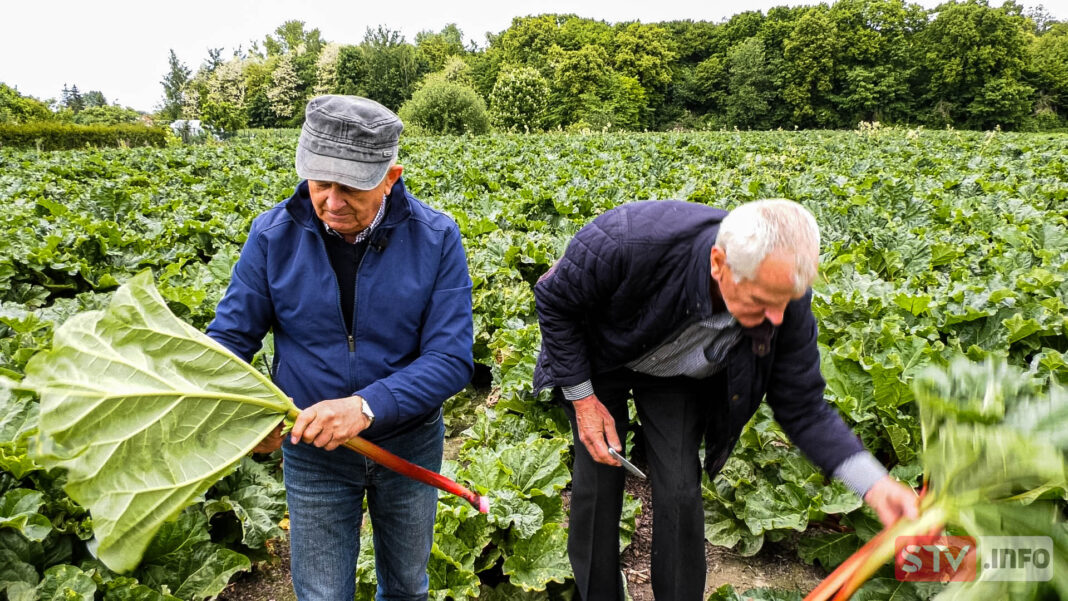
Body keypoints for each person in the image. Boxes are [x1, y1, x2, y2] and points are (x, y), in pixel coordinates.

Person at [533, 199, 918, 601]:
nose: (774, 318)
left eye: (783, 301)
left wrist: (874, 485)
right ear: (719, 264)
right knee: (597, 479)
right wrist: (582, 399)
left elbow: (803, 407)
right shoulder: (629, 239)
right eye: (761, 300)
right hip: (602, 355)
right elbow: (555, 299)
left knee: (681, 488)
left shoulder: (783, 296)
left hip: (679, 374)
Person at [207, 95, 474, 601]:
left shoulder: (436, 237)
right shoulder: (271, 236)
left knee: (406, 587)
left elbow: (450, 359)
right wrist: (242, 416)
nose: (331, 201)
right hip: (313, 452)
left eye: (350, 186)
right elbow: (228, 340)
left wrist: (364, 407)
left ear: (390, 177)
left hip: (408, 442)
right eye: (319, 182)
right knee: (323, 594)